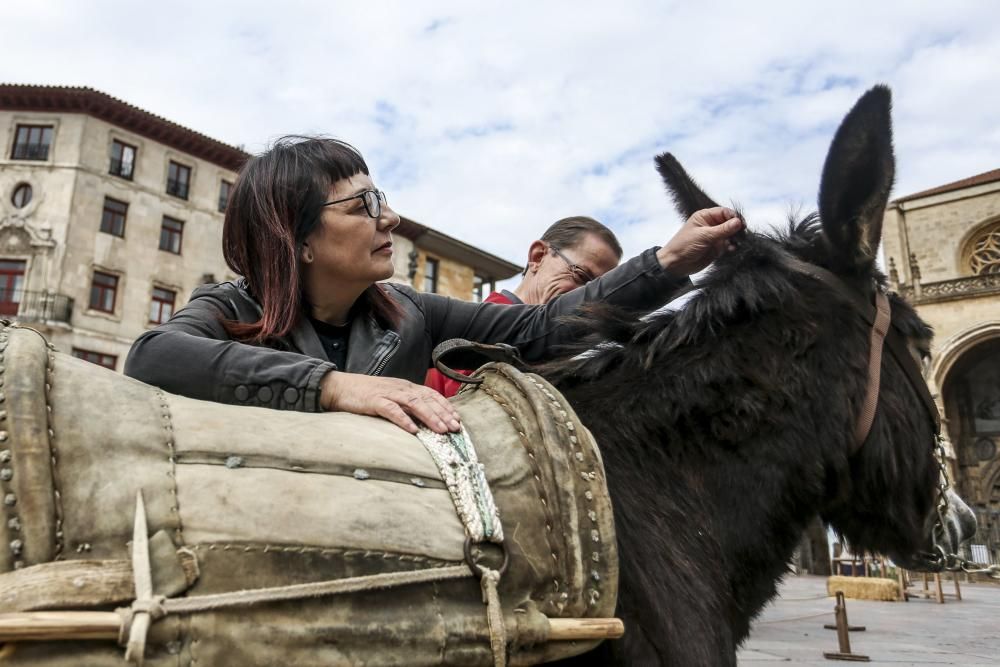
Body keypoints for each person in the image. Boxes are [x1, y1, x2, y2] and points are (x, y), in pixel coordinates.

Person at [124, 137, 742, 436]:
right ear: (299, 238)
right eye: (364, 205)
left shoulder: (408, 311)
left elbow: (542, 328)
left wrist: (667, 262)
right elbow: (155, 357)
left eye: (383, 199)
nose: (389, 218)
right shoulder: (231, 306)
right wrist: (334, 387)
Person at [425, 216, 623, 397]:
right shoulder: (482, 332)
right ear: (538, 256)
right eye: (580, 276)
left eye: (598, 293)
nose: (587, 298)